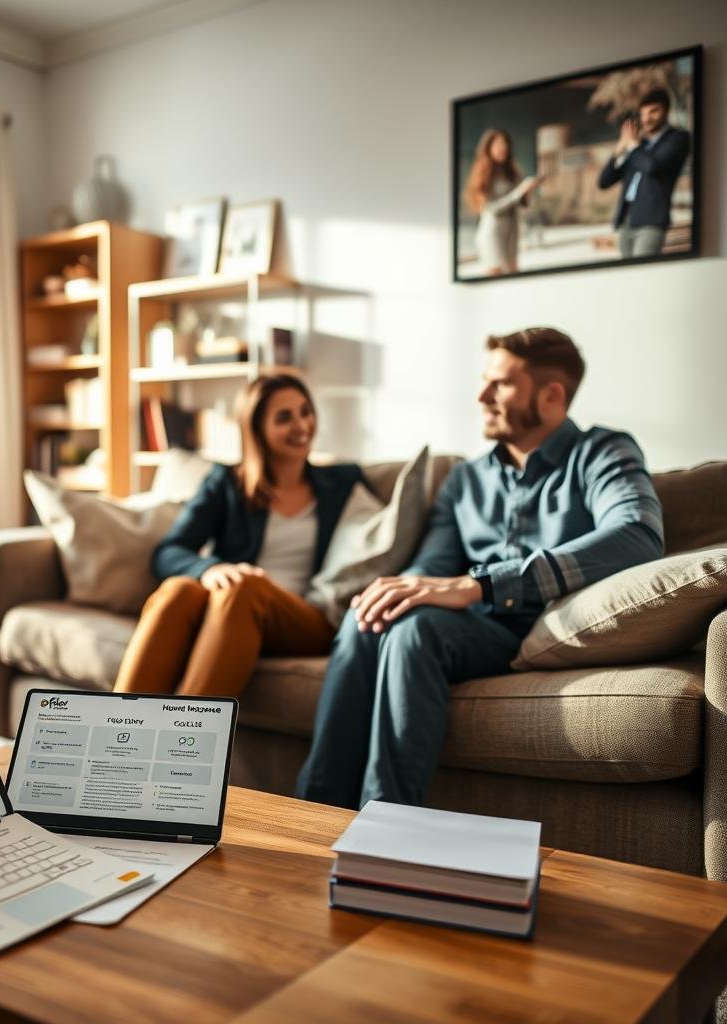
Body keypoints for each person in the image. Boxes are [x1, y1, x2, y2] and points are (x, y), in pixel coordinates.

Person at [295, 327, 664, 810]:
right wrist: (407, 588)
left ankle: (386, 822)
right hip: (468, 628)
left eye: (501, 385)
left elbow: (638, 534)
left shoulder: (601, 453)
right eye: (484, 381)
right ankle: (310, 814)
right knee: (371, 616)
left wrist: (481, 585)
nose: (481, 396)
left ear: (552, 396)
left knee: (415, 629)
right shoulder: (466, 480)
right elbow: (433, 567)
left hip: (538, 628)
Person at [113, 373, 363, 698]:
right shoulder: (226, 484)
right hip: (232, 615)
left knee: (246, 586)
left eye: (305, 411)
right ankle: (112, 735)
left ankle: (187, 744)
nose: (302, 426)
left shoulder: (344, 483)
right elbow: (168, 552)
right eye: (284, 418)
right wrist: (210, 569)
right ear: (257, 428)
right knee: (178, 590)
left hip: (305, 619)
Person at [597, 87, 691, 258]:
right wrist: (619, 150)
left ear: (666, 110)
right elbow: (604, 181)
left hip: (651, 222)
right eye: (643, 114)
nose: (646, 119)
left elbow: (652, 167)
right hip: (626, 221)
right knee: (628, 278)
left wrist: (633, 146)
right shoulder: (639, 146)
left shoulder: (677, 138)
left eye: (653, 112)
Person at [464, 128, 541, 276]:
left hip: (512, 231)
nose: (503, 147)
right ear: (489, 147)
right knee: (495, 275)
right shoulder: (483, 173)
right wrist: (518, 192)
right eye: (498, 144)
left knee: (514, 273)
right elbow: (491, 208)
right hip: (493, 232)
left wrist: (527, 192)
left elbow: (522, 204)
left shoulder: (512, 171)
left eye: (505, 143)